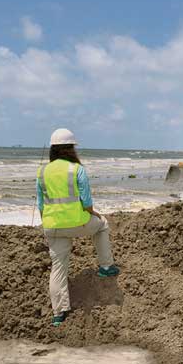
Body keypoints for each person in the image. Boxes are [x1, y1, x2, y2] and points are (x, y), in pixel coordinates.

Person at [36, 128, 120, 326]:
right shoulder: (77, 170)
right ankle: (106, 266)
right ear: (71, 148)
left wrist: (49, 223)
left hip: (52, 226)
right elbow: (87, 203)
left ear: (52, 149)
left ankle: (58, 314)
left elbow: (41, 206)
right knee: (102, 225)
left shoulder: (42, 172)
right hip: (78, 223)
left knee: (58, 268)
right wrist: (94, 214)